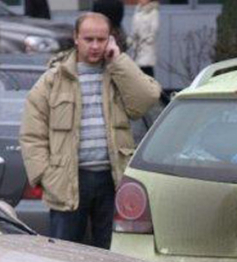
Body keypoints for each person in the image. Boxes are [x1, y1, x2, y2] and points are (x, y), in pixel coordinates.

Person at [19, 12, 161, 248]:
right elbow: (32, 133)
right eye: (88, 39)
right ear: (76, 38)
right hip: (67, 181)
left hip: (113, 180)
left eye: (101, 39)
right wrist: (46, 177)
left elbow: (147, 98)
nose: (95, 46)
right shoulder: (54, 79)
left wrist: (118, 61)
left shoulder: (118, 73)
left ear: (110, 39)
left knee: (112, 254)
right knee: (65, 254)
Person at [130, 0, 159, 77]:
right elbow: (134, 28)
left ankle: (150, 84)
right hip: (137, 45)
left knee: (147, 68)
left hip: (146, 45)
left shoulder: (153, 12)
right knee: (137, 70)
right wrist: (131, 40)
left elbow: (154, 29)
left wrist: (148, 40)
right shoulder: (137, 10)